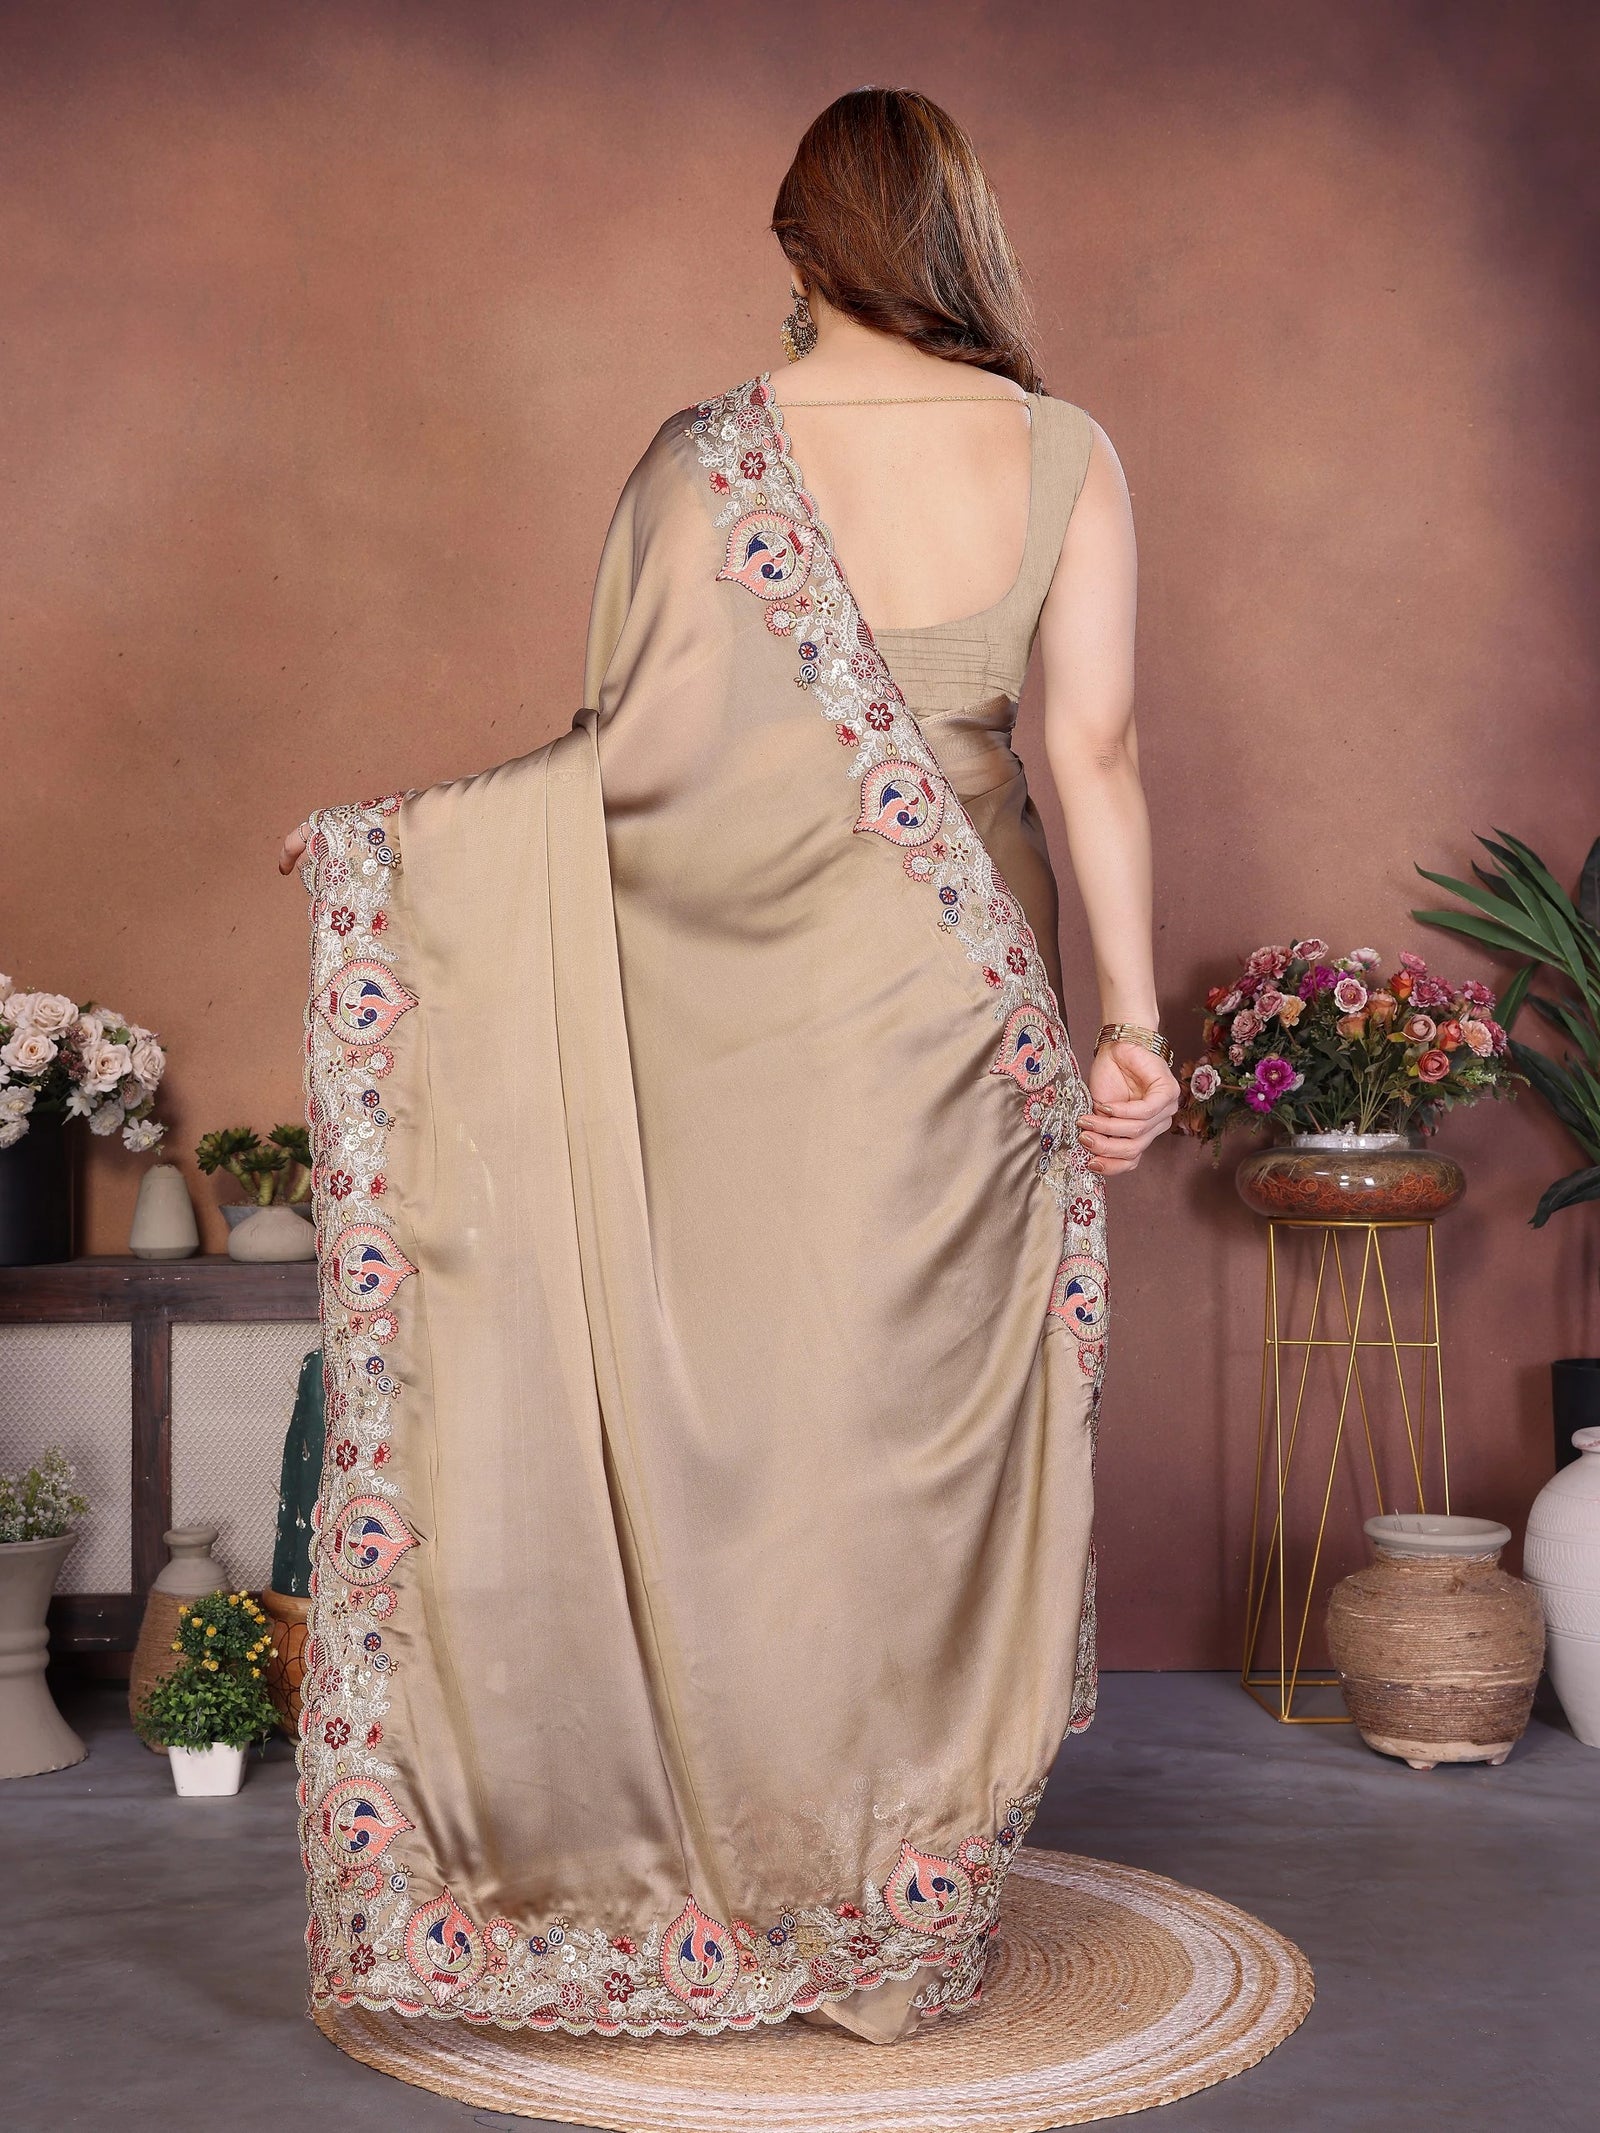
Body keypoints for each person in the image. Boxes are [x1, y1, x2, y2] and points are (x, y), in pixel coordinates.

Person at [280, 87, 1177, 2055]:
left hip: (736, 1023)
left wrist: (398, 858)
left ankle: (714, 1865)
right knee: (910, 1449)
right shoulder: (1063, 452)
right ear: (958, 239)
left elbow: (628, 769)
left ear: (795, 250)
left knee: (747, 1432)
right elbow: (1091, 749)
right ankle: (887, 1912)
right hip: (965, 1011)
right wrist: (1128, 1026)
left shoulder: (706, 460)